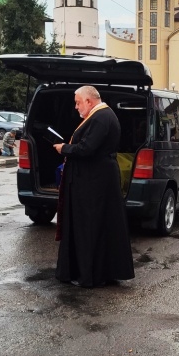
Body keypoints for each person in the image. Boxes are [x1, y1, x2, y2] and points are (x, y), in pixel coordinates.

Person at [52, 85, 135, 287]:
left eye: (78, 102)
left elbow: (87, 148)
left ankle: (91, 274)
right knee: (98, 226)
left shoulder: (101, 117)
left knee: (90, 227)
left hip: (94, 183)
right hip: (94, 180)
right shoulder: (100, 116)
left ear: (89, 101)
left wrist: (65, 148)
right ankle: (96, 271)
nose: (76, 107)